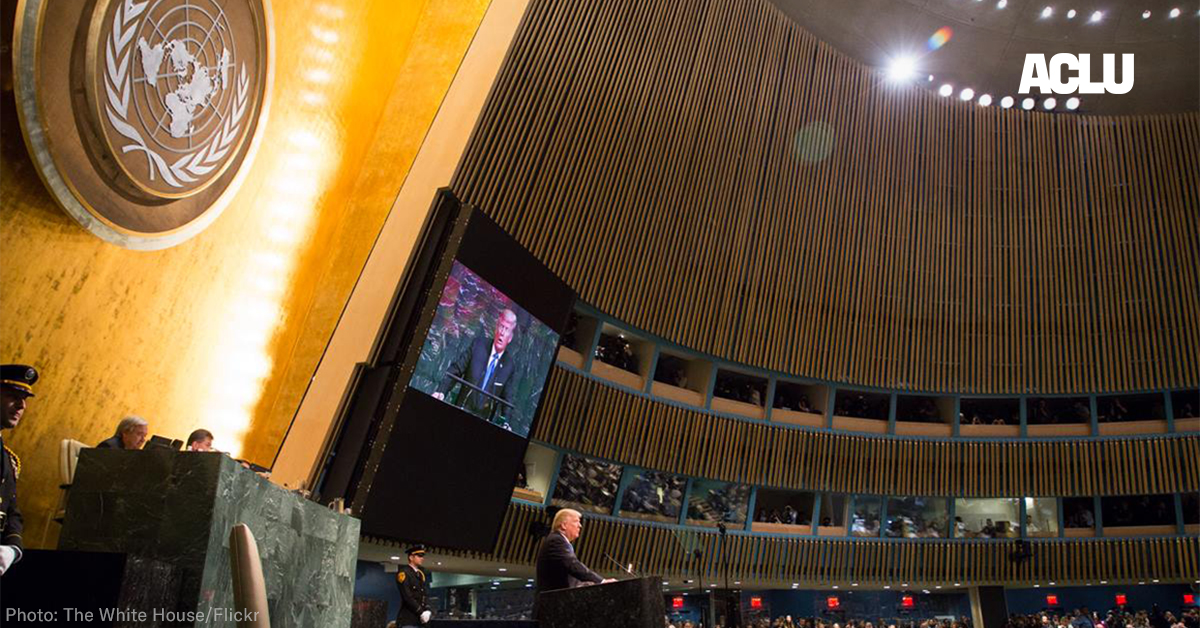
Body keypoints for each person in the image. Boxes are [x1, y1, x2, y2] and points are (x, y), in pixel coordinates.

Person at [433, 309, 518, 420]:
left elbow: (508, 399)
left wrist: (506, 422)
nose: (502, 332)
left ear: (510, 338)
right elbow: (456, 370)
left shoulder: (509, 365)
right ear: (496, 328)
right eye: (501, 327)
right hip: (461, 411)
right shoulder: (478, 345)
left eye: (506, 329)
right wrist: (441, 392)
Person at [534, 508, 614, 617]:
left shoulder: (560, 541)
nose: (580, 526)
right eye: (576, 521)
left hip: (556, 607)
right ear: (563, 525)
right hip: (552, 608)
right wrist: (601, 581)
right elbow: (573, 565)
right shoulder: (556, 541)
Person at [0, 364, 37, 576]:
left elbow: (12, 513)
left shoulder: (9, 459)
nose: (21, 405)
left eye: (25, 399)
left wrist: (12, 549)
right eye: (13, 396)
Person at [395, 544, 431, 627]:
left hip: (421, 621)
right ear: (411, 557)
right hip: (408, 619)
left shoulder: (420, 574)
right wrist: (420, 612)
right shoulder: (404, 573)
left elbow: (424, 594)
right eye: (419, 556)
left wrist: (428, 610)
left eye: (422, 556)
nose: (422, 558)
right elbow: (407, 597)